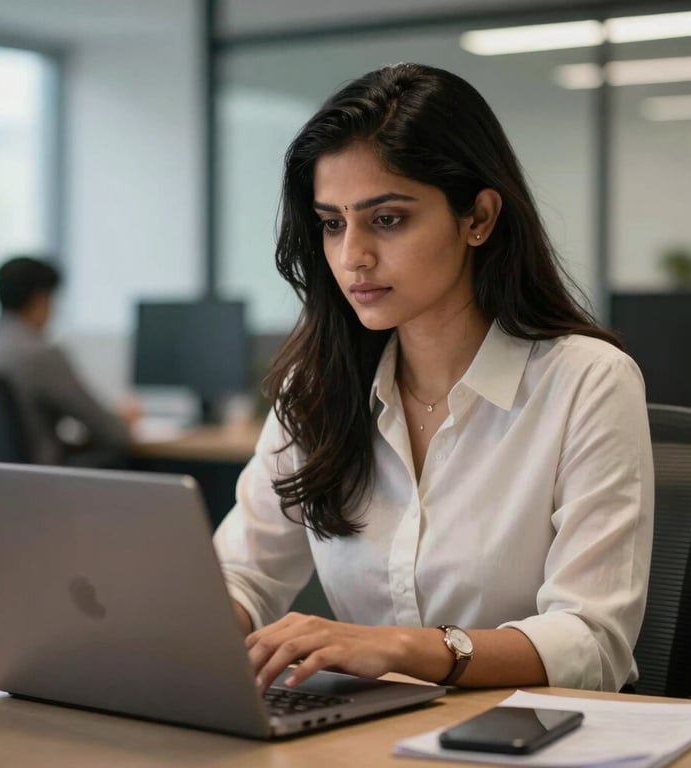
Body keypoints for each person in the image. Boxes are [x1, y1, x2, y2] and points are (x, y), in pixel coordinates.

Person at [213, 63, 654, 694]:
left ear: (477, 217)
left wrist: (403, 648)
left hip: (529, 740)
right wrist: (187, 631)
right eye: (333, 223)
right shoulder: (317, 387)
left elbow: (593, 640)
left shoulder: (588, 381)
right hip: (364, 740)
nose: (351, 255)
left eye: (387, 219)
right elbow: (242, 574)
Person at [0, 255, 137, 465]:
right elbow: (111, 432)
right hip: (36, 482)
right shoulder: (40, 354)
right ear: (41, 300)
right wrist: (122, 420)